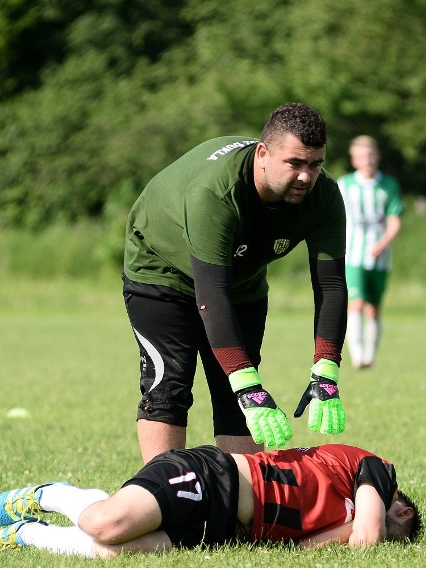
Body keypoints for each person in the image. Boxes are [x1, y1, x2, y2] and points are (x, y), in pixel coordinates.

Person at [122, 103, 348, 462]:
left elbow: (332, 286)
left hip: (242, 282)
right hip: (162, 270)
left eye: (315, 164)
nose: (306, 176)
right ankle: (161, 503)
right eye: (294, 163)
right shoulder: (216, 192)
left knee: (237, 395)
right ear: (263, 154)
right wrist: (248, 386)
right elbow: (212, 292)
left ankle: (244, 512)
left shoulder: (324, 197)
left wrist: (327, 367)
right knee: (171, 386)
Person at [0, 444, 422, 556]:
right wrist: (362, 529)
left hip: (222, 529)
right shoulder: (376, 471)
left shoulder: (343, 518)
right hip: (211, 476)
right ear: (400, 507)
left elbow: (301, 549)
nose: (385, 535)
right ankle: (47, 495)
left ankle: (24, 534)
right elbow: (367, 535)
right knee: (105, 524)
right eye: (394, 530)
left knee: (112, 551)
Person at [337, 136, 404, 369]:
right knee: (355, 303)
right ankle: (357, 357)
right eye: (362, 155)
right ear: (354, 159)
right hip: (352, 255)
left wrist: (384, 242)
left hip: (380, 256)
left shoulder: (389, 186)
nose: (367, 159)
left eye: (371, 154)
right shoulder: (344, 185)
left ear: (377, 156)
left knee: (373, 307)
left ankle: (370, 356)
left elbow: (395, 219)